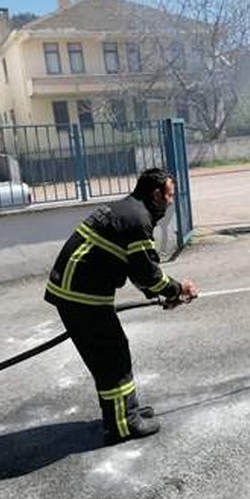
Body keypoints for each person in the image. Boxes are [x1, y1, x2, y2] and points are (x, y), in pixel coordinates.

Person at [45, 167, 198, 445]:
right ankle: (121, 425)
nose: (171, 201)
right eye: (169, 195)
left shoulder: (129, 210)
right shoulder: (137, 220)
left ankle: (127, 410)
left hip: (78, 292)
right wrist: (177, 289)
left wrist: (163, 294)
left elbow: (137, 271)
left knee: (114, 350)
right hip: (80, 296)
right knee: (111, 357)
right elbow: (148, 275)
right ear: (156, 194)